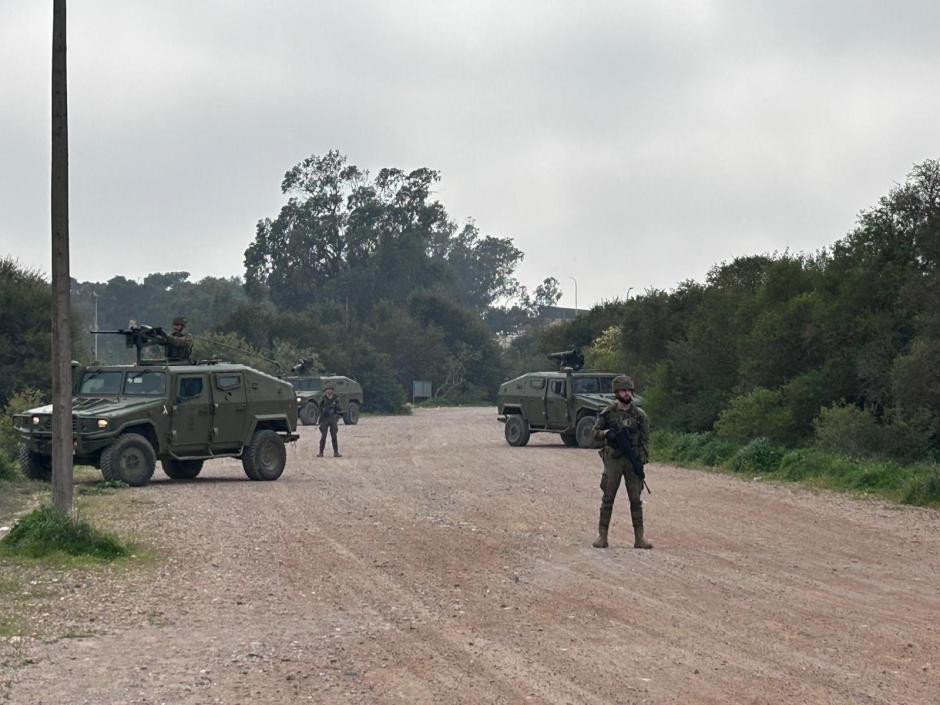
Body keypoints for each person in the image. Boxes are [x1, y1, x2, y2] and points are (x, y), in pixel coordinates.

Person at [591, 375, 652, 549]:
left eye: (629, 391)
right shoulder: (608, 413)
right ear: (616, 392)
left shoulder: (639, 415)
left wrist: (641, 461)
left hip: (632, 460)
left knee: (636, 500)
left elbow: (645, 440)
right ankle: (602, 537)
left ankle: (639, 538)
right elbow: (594, 433)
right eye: (623, 391)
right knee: (608, 497)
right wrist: (606, 433)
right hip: (613, 459)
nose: (627, 394)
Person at [317, 384, 342, 457]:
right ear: (325, 391)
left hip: (332, 418)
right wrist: (320, 417)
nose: (329, 390)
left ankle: (336, 452)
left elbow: (339, 409)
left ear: (332, 390)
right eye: (327, 389)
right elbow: (319, 408)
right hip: (324, 419)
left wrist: (335, 407)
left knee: (334, 436)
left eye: (330, 389)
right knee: (323, 436)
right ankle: (321, 452)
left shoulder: (336, 398)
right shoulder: (322, 398)